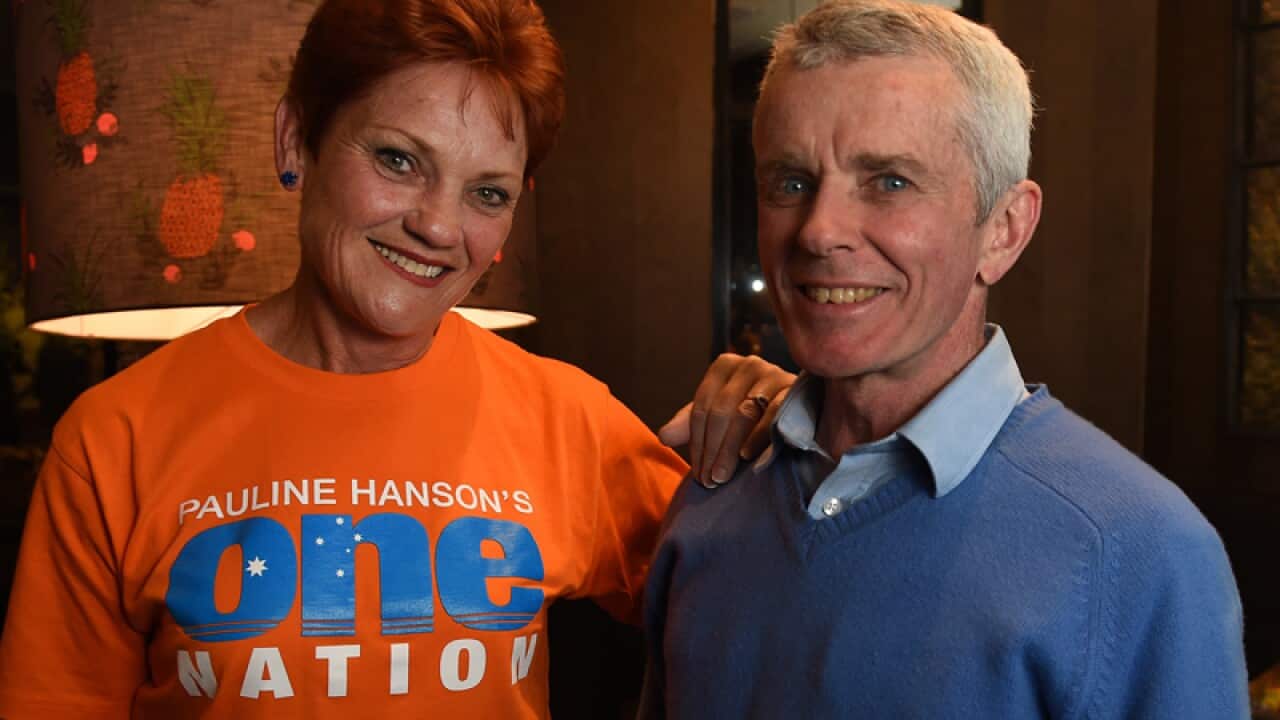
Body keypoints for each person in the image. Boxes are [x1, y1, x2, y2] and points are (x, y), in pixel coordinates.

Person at [0, 0, 793, 717]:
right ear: (296, 141)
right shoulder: (115, 439)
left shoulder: (563, 414)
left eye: (487, 193)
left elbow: (772, 606)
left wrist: (795, 430)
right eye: (398, 160)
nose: (439, 227)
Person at [640, 1, 1249, 717]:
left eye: (889, 181)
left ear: (1004, 229)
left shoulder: (1136, 548)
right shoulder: (712, 493)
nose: (820, 230)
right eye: (791, 183)